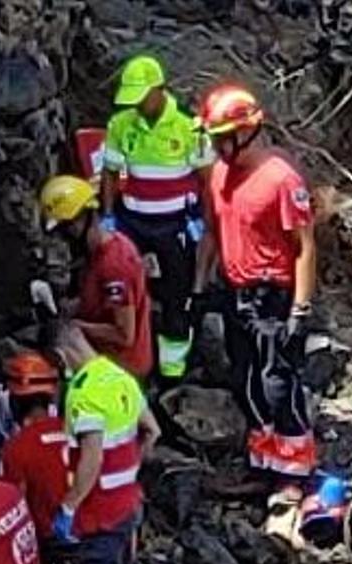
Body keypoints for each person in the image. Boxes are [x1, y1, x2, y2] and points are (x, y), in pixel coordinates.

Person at [195, 83, 318, 479]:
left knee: (277, 381)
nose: (218, 148)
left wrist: (300, 309)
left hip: (272, 295)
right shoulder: (217, 176)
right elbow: (213, 232)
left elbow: (304, 246)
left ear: (246, 132)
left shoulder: (281, 180)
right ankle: (263, 460)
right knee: (245, 376)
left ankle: (295, 468)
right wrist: (200, 287)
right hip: (235, 291)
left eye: (223, 139)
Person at [48, 322, 160, 564]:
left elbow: (90, 458)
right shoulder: (120, 378)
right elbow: (151, 430)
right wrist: (128, 472)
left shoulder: (84, 393)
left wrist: (68, 506)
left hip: (99, 515)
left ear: (64, 358)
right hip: (127, 506)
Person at [100, 55, 215, 382]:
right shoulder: (121, 125)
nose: (136, 104)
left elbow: (207, 179)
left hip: (175, 223)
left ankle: (173, 370)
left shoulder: (187, 127)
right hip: (132, 221)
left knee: (176, 295)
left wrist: (204, 221)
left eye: (141, 97)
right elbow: (110, 172)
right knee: (126, 292)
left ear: (159, 90)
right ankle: (130, 360)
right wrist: (108, 216)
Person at [39, 175, 154, 381]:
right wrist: (74, 307)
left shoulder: (114, 266)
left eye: (67, 229)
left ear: (86, 218)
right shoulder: (97, 254)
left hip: (121, 369)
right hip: (104, 358)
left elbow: (124, 335)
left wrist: (77, 326)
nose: (65, 238)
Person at [0, 351, 67, 541]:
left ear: (13, 400)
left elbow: (12, 511)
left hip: (48, 544)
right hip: (92, 538)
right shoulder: (77, 432)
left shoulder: (17, 449)